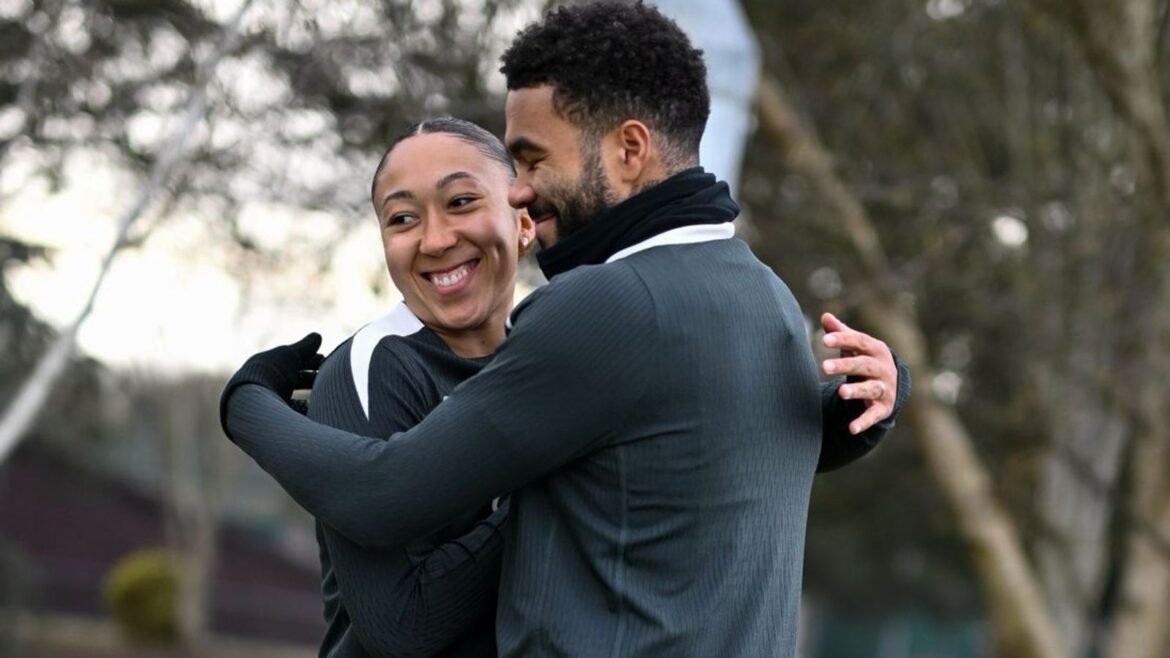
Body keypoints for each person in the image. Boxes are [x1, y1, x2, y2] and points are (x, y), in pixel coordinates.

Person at [222, 4, 910, 657]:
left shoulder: (603, 305)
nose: (520, 188)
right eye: (401, 218)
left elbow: (381, 496)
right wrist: (871, 406)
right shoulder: (764, 294)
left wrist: (248, 404)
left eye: (532, 159)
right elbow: (702, 453)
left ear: (629, 149)